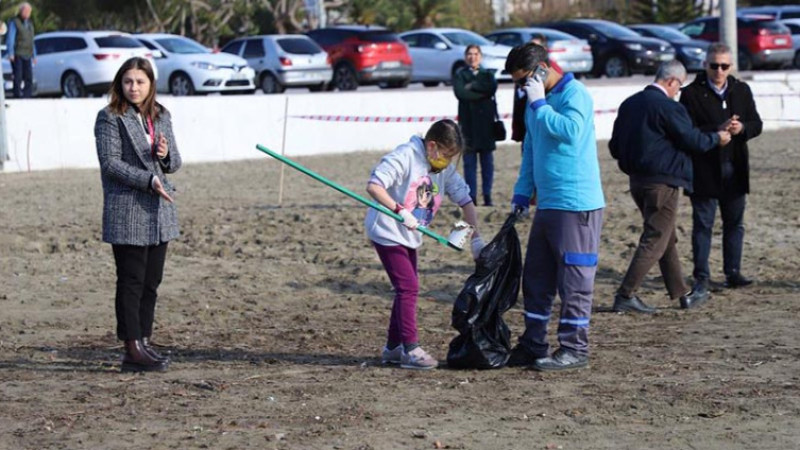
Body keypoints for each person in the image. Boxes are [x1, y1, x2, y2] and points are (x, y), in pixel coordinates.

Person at [504, 42, 605, 371]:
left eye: (523, 80)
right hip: (548, 204)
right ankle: (533, 342)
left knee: (574, 279)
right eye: (518, 83)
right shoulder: (535, 104)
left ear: (542, 69)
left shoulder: (575, 95)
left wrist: (541, 105)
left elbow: (572, 132)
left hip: (577, 205)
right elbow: (531, 151)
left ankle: (574, 347)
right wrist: (522, 192)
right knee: (537, 277)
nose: (522, 88)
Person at [609, 60, 731, 314]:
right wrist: (717, 138)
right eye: (679, 85)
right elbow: (692, 140)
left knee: (666, 236)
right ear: (672, 81)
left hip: (637, 181)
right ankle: (625, 294)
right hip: (663, 182)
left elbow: (614, 146)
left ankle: (682, 293)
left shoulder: (630, 104)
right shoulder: (667, 107)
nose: (678, 90)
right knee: (655, 237)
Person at [365, 119, 484, 370]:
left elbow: (465, 200)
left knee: (405, 288)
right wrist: (399, 210)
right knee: (409, 287)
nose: (447, 162)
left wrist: (475, 238)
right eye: (446, 155)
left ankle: (393, 348)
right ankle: (410, 349)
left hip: (410, 234)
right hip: (387, 229)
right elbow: (374, 185)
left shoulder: (444, 169)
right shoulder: (405, 156)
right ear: (432, 146)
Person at [95, 57, 182, 373]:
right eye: (128, 81)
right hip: (127, 210)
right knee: (131, 281)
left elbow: (175, 162)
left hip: (160, 211)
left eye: (140, 82)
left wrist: (164, 154)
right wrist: (148, 180)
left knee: (151, 282)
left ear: (150, 84)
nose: (134, 88)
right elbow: (111, 164)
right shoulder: (109, 117)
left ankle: (144, 341)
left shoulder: (161, 115)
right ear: (120, 83)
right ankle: (131, 348)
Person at [679, 43, 762, 294]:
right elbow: (685, 131)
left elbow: (756, 124)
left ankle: (733, 272)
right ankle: (702, 275)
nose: (719, 70)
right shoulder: (691, 94)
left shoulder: (741, 90)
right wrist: (716, 131)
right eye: (714, 65)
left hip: (735, 168)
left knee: (734, 224)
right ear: (705, 65)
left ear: (731, 66)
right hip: (705, 169)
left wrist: (742, 129)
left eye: (724, 66)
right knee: (703, 225)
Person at [452, 44, 497, 206]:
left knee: (487, 165)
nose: (473, 57)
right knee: (469, 164)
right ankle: (472, 197)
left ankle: (487, 195)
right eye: (469, 54)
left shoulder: (487, 74)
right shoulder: (460, 75)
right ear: (465, 57)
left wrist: (472, 87)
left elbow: (491, 88)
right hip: (468, 126)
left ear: (481, 56)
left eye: (476, 54)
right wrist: (479, 92)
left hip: (486, 126)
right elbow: (460, 93)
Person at [7, 2, 36, 98]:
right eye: (26, 11)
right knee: (18, 76)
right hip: (18, 53)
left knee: (29, 77)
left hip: (28, 54)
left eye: (29, 12)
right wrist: (10, 53)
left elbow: (31, 40)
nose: (28, 14)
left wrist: (34, 55)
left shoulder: (30, 24)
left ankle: (27, 96)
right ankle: (17, 95)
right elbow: (10, 38)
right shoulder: (14, 22)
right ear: (21, 11)